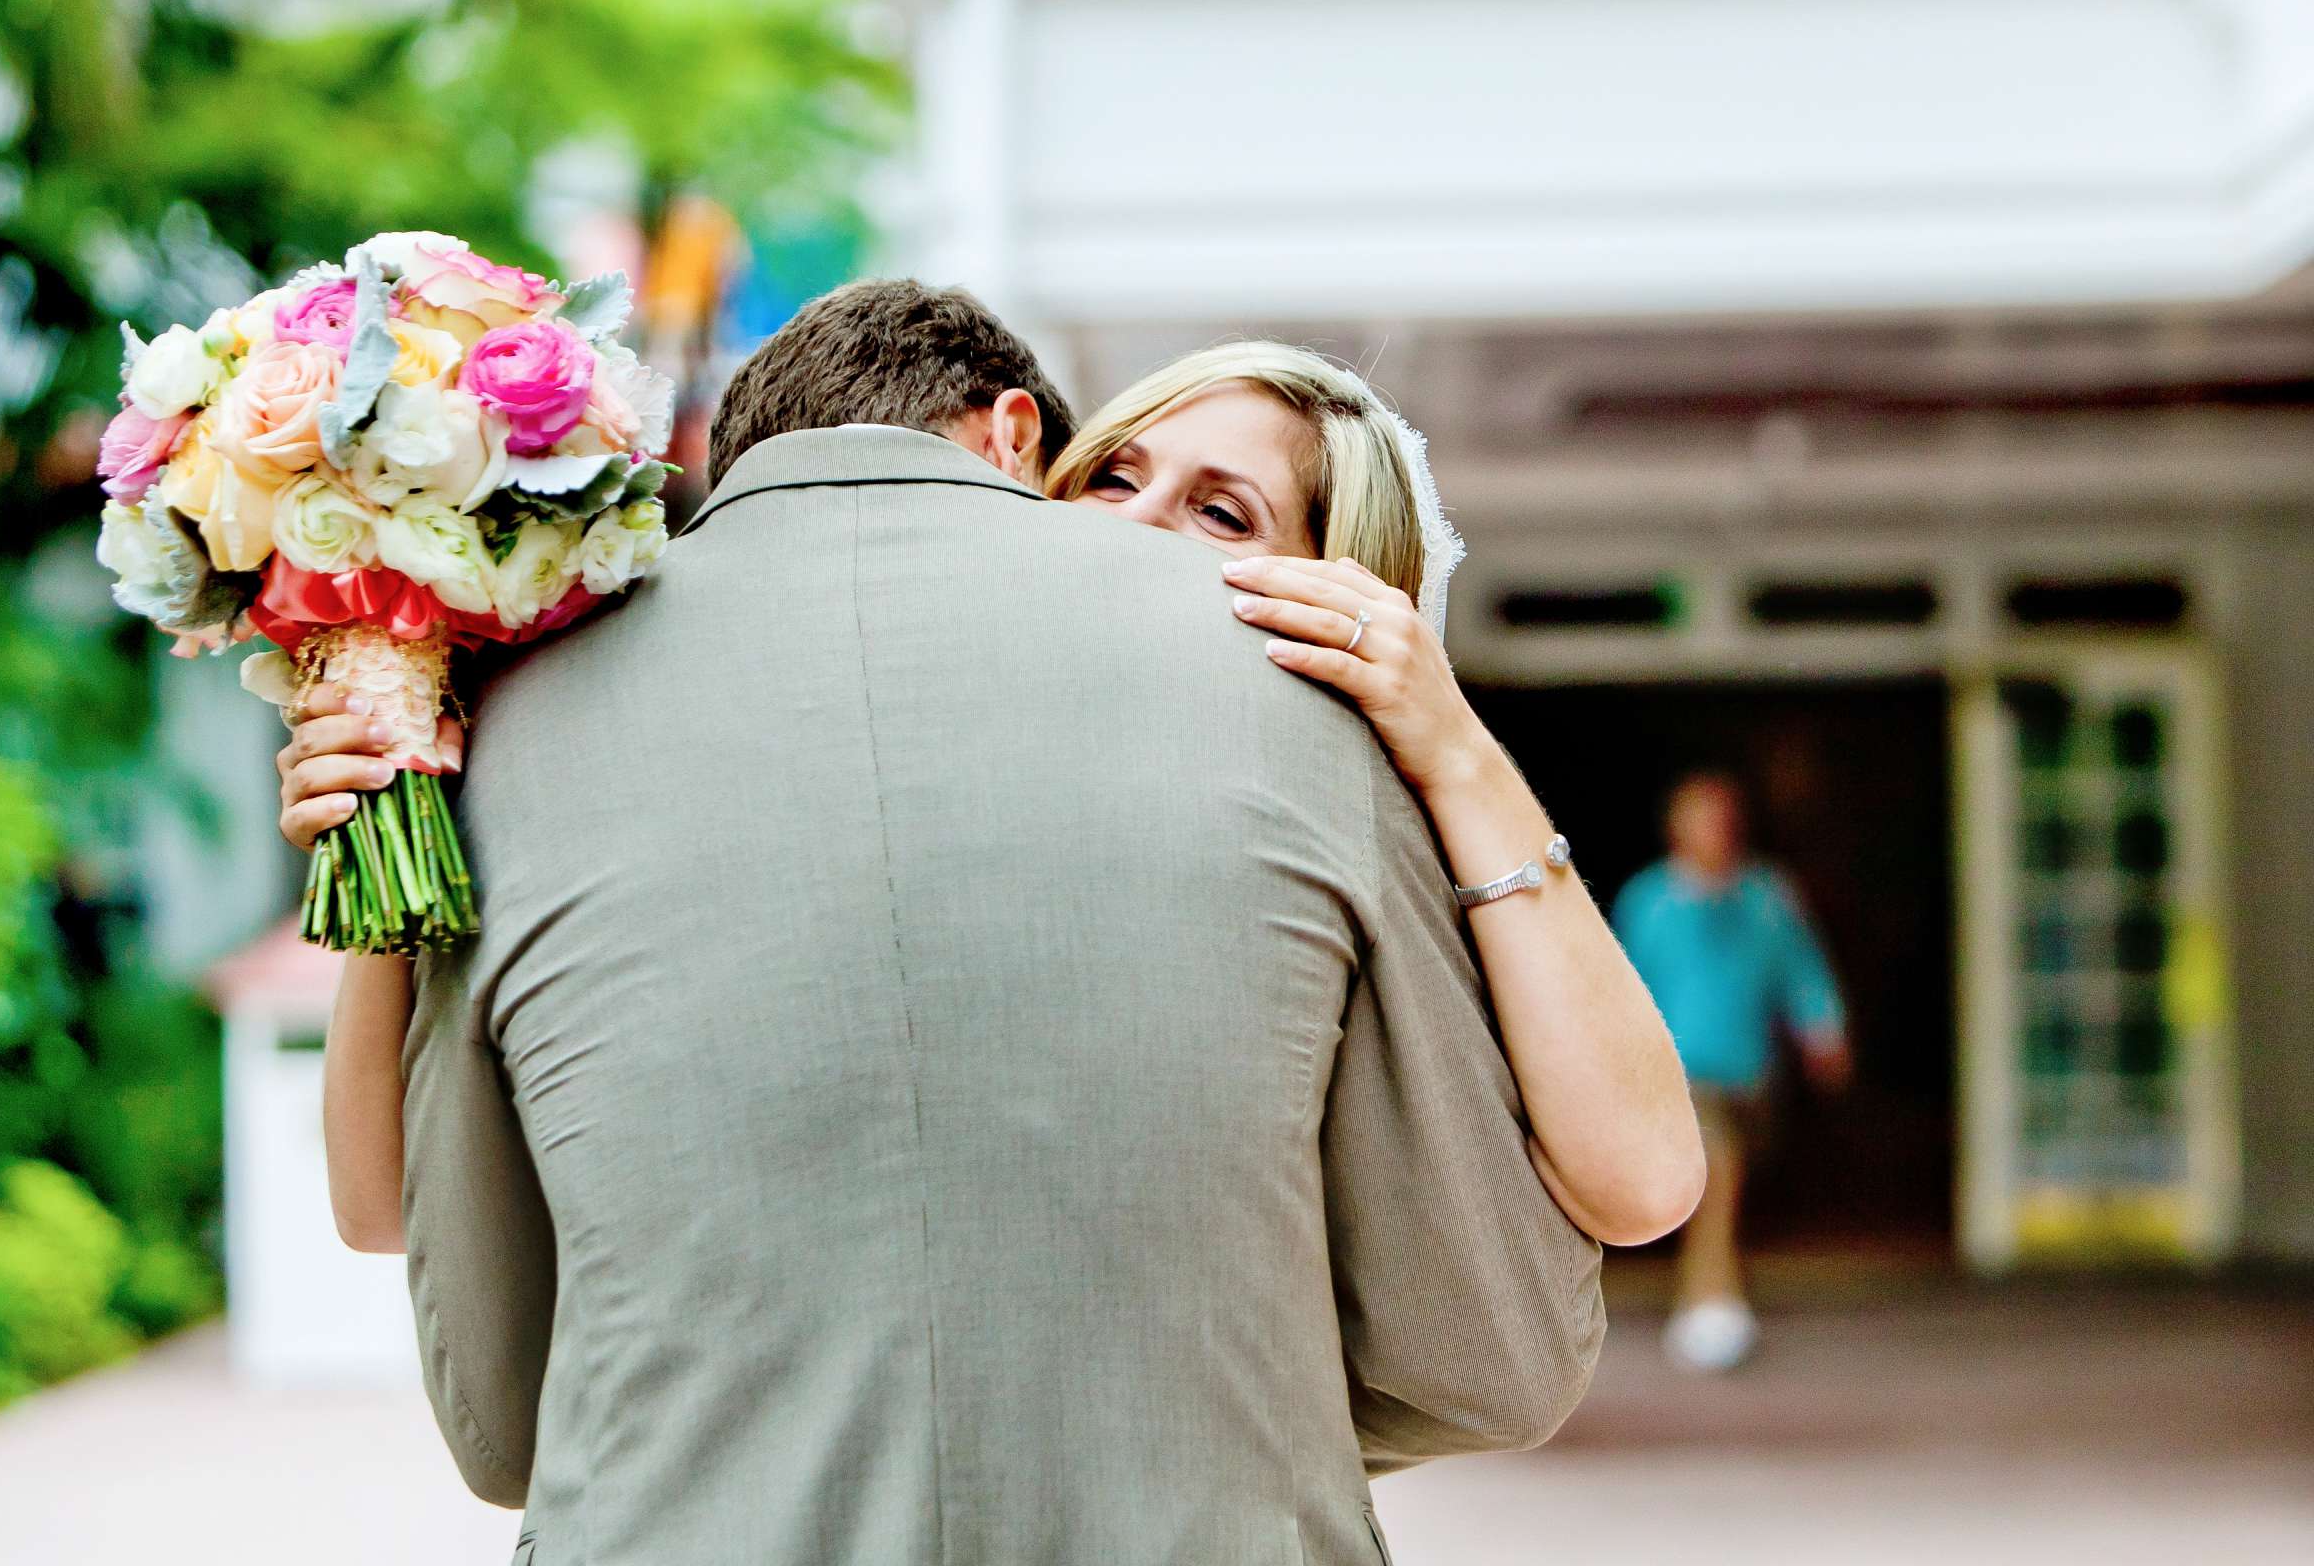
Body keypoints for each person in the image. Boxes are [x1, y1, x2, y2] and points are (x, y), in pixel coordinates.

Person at [277, 281, 1694, 1563]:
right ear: (1024, 445)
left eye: (1222, 516)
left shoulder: (542, 717)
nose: (1136, 537)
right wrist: (377, 828)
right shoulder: (1277, 735)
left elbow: (478, 1365)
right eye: (1118, 477)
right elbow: (1485, 1352)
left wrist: (1453, 746)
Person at [1611, 769, 1850, 1374]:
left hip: (1749, 1070)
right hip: (1679, 1072)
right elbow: (1619, 985)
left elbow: (1801, 968)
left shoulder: (1766, 896)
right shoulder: (1650, 901)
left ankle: (1709, 1297)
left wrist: (1823, 1029)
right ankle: (1710, 1303)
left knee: (1727, 1181)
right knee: (1718, 1174)